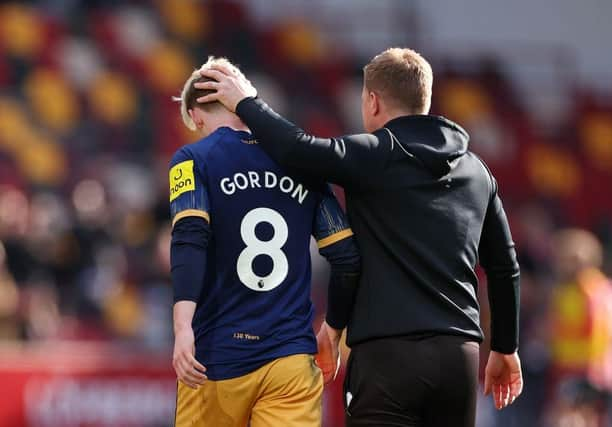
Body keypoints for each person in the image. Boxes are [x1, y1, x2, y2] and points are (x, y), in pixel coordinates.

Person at [196, 47, 523, 426]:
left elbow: (295, 149)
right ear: (425, 99)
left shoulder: (373, 154)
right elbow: (505, 267)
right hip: (458, 356)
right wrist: (505, 347)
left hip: (387, 356)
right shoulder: (477, 171)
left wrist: (246, 102)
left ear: (372, 101)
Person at [169, 56, 360, 427]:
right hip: (290, 361)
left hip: (215, 358)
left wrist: (181, 329)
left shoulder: (192, 160)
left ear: (196, 114)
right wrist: (332, 330)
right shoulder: (303, 162)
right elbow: (346, 256)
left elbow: (189, 240)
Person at [547, 229, 612, 427]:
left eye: (567, 259)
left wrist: (587, 374)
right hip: (572, 369)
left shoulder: (594, 290)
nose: (561, 265)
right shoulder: (567, 291)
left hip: (587, 372)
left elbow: (598, 335)